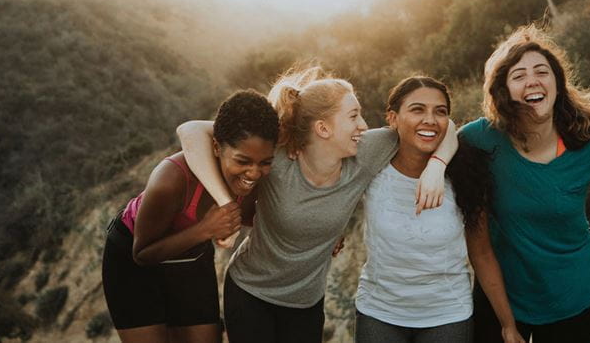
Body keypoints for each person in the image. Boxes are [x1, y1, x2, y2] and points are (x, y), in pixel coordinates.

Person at [177, 66, 456, 343]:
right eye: (353, 116)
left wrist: (436, 166)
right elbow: (190, 131)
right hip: (251, 293)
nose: (363, 126)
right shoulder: (278, 157)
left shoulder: (366, 152)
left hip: (306, 305)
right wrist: (227, 205)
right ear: (323, 128)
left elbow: (444, 125)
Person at [459, 25, 590, 342]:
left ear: (557, 83)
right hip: (499, 299)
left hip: (573, 303)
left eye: (542, 71)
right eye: (518, 75)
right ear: (503, 90)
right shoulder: (480, 139)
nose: (532, 80)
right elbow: (435, 136)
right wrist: (436, 166)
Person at [101, 90, 279, 343]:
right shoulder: (170, 180)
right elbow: (142, 254)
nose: (254, 172)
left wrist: (320, 234)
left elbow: (258, 217)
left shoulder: (255, 179)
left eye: (265, 162)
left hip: (191, 257)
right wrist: (205, 229)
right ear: (216, 147)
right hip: (132, 262)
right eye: (243, 161)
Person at [354, 76, 523, 343]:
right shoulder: (372, 165)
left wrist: (508, 324)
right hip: (379, 312)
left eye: (440, 112)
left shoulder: (467, 175)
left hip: (447, 315)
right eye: (417, 109)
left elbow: (481, 252)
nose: (430, 120)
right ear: (392, 118)